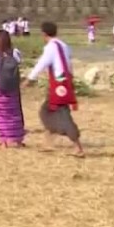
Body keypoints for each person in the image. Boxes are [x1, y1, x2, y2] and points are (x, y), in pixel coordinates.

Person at [26, 21, 84, 158]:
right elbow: (69, 64)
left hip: (58, 85)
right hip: (64, 82)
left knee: (59, 115)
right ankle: (48, 143)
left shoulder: (50, 47)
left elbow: (42, 63)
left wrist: (30, 78)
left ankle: (78, 147)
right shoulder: (64, 45)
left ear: (43, 34)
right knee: (48, 112)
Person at [0, 30, 25, 148]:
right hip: (12, 87)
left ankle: (3, 140)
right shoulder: (15, 52)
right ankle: (17, 139)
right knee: (15, 112)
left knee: (0, 114)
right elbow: (19, 62)